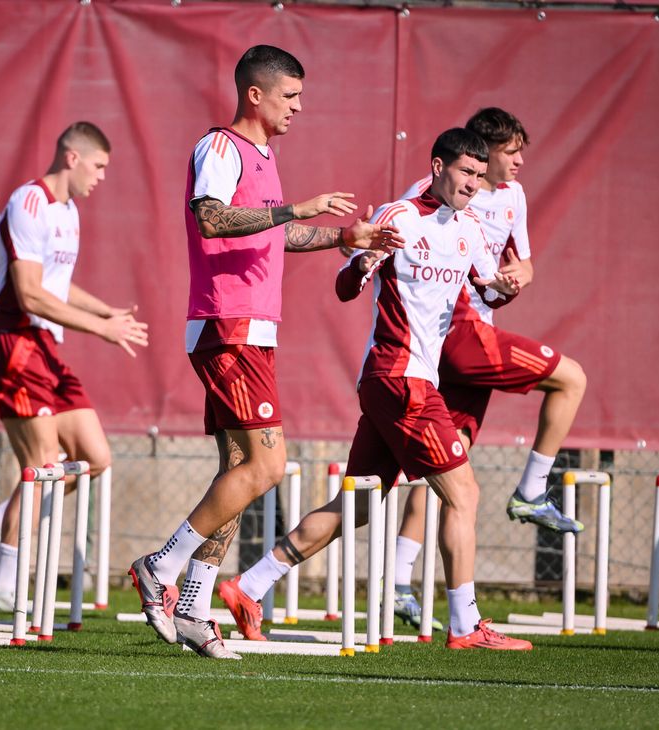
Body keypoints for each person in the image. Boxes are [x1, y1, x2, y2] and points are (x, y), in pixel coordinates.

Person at [129, 45, 403, 659]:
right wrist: (293, 208)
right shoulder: (219, 147)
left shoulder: (265, 155)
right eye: (290, 96)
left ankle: (194, 604)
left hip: (252, 329)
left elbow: (276, 233)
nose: (298, 107)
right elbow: (211, 218)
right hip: (227, 325)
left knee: (240, 469)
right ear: (255, 94)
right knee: (268, 467)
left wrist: (341, 237)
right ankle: (161, 566)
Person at [219, 128, 532, 651]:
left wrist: (506, 287)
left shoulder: (471, 228)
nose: (473, 184)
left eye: (480, 176)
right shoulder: (399, 216)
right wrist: (363, 262)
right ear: (438, 167)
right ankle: (465, 625)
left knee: (359, 504)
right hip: (399, 378)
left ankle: (248, 587)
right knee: (464, 493)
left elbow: (487, 292)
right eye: (465, 172)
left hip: (404, 382)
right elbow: (345, 286)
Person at [386, 108, 587, 629]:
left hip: (468, 332)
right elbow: (402, 249)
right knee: (572, 378)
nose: (518, 161)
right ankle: (531, 491)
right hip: (458, 333)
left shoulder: (514, 196)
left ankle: (398, 583)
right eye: (510, 152)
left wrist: (519, 277)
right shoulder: (433, 193)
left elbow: (524, 263)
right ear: (481, 150)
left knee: (448, 467)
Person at [0, 122, 148, 610]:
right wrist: (101, 330)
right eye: (99, 166)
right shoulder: (29, 202)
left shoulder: (70, 212)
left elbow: (57, 284)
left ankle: (2, 517)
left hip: (45, 346)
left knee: (95, 457)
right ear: (72, 158)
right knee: (43, 463)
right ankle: (4, 583)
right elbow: (30, 294)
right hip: (12, 339)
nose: (102, 177)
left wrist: (106, 313)